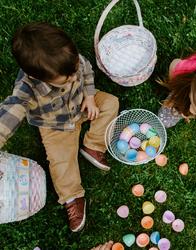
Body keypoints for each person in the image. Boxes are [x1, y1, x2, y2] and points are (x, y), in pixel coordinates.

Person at [0, 22, 119, 232]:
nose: (75, 76)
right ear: (38, 77)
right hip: (55, 125)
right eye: (68, 77)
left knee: (110, 103)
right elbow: (11, 112)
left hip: (82, 105)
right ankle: (72, 196)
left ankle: (93, 145)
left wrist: (90, 97)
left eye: (74, 70)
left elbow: (87, 70)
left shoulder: (70, 60)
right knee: (61, 162)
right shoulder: (26, 88)